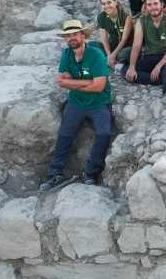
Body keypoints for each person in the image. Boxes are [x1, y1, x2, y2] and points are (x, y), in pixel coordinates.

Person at [39, 20, 113, 191]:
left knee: (104, 133)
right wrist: (87, 83)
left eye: (75, 34)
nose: (72, 38)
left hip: (99, 102)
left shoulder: (96, 55)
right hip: (76, 102)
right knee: (65, 134)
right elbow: (61, 82)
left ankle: (90, 172)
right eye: (68, 35)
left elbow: (99, 86)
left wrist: (73, 83)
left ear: (82, 35)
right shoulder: (67, 54)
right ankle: (54, 174)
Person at [126, 0, 166, 101]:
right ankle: (161, 79)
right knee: (129, 73)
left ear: (162, 4)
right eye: (149, 5)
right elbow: (137, 45)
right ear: (146, 7)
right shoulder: (141, 21)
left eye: (156, 4)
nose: (153, 7)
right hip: (150, 56)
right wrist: (132, 67)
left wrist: (158, 66)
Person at [93, 0, 133, 70]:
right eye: (104, 4)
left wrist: (113, 55)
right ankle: (110, 61)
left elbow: (124, 40)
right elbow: (104, 39)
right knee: (91, 45)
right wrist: (109, 55)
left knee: (124, 54)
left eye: (109, 3)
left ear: (115, 2)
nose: (106, 6)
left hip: (126, 46)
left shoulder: (126, 16)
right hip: (113, 45)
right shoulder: (101, 17)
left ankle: (113, 62)